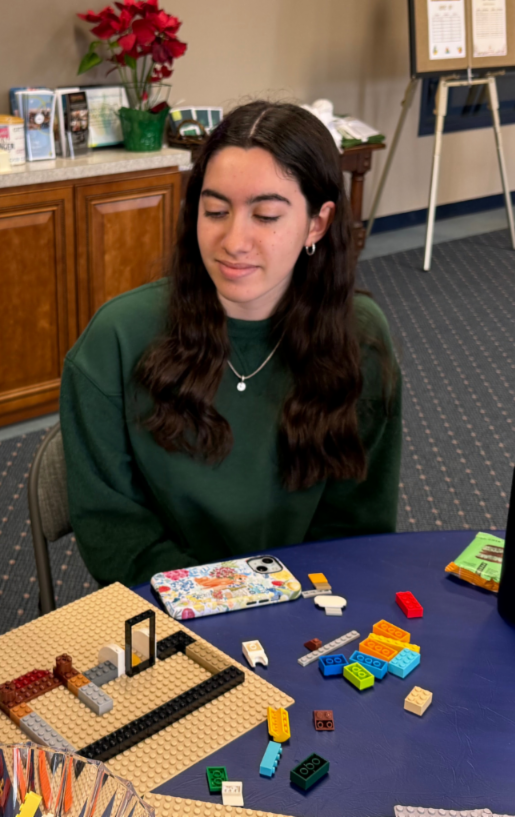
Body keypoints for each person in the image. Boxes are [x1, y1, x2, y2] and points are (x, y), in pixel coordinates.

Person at [61, 101, 402, 587]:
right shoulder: (116, 338)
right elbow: (114, 532)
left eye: (265, 215)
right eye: (215, 211)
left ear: (317, 223)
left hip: (308, 603)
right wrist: (219, 604)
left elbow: (357, 526)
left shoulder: (360, 337)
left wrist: (291, 605)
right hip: (170, 605)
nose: (234, 240)